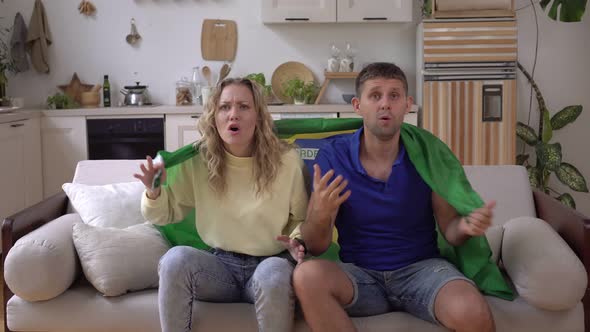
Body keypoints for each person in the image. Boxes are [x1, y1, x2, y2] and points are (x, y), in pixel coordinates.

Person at [292, 62, 497, 332]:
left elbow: (450, 230)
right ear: (358, 105)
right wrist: (319, 213)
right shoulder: (333, 155)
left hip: (423, 271)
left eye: (394, 96)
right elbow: (316, 247)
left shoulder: (426, 153)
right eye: (375, 96)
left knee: (472, 310)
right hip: (360, 274)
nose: (385, 104)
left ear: (407, 104)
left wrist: (466, 227)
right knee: (306, 275)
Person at [134, 77, 308, 332]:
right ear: (214, 116)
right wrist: (153, 190)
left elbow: (301, 218)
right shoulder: (198, 160)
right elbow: (165, 214)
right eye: (225, 107)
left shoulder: (287, 160)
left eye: (244, 107)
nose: (233, 115)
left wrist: (297, 241)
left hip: (269, 262)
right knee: (174, 259)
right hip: (219, 269)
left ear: (258, 116)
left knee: (274, 274)